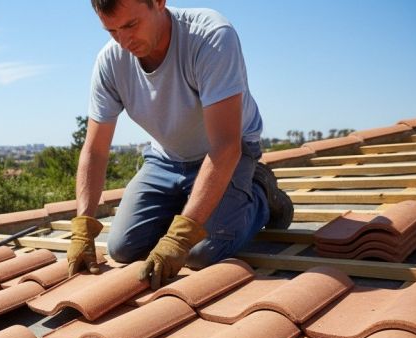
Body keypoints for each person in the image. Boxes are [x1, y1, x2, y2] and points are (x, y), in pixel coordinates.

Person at [67, 0, 293, 289]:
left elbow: (225, 146)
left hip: (228, 153)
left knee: (201, 253)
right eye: (112, 31)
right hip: (166, 160)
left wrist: (180, 238)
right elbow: (95, 150)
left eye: (131, 25)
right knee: (123, 248)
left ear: (159, 2)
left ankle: (260, 194)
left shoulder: (209, 36)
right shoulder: (110, 62)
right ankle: (191, 205)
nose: (123, 41)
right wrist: (83, 226)